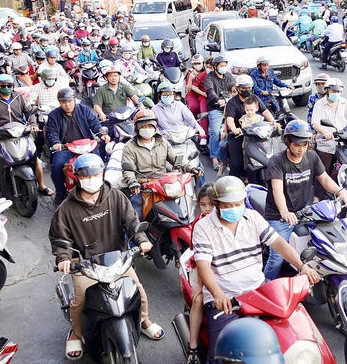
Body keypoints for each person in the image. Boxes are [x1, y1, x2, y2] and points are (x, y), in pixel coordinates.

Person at [191, 176, 320, 364]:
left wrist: (302, 266)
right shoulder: (203, 227)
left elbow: (278, 243)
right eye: (228, 205)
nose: (234, 208)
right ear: (217, 204)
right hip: (226, 300)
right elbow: (203, 266)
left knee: (294, 336)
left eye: (238, 203)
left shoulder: (252, 217)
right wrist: (218, 294)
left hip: (258, 292)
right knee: (221, 354)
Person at [49, 153, 164, 360]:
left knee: (137, 289)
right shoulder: (65, 209)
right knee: (80, 299)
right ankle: (76, 332)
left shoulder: (116, 196)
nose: (91, 179)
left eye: (95, 174)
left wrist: (141, 239)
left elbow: (132, 222)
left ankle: (144, 320)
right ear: (77, 177)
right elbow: (60, 239)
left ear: (102, 173)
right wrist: (64, 258)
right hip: (84, 263)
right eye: (86, 175)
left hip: (116, 259)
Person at [263, 119, 347, 280]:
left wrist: (341, 191)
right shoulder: (277, 161)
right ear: (287, 141)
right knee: (277, 257)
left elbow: (324, 179)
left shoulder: (312, 157)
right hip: (280, 217)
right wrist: (284, 211)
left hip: (304, 211)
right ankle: (266, 284)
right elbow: (277, 190)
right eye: (297, 145)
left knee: (327, 239)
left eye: (304, 144)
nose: (301, 149)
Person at [0, 74, 54, 196]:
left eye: (9, 86)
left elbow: (29, 112)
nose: (7, 88)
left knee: (36, 160)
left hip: (20, 133)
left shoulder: (19, 97)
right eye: (4, 86)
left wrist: (33, 123)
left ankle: (41, 185)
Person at [121, 111, 199, 218]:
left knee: (181, 212)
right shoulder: (129, 146)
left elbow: (176, 159)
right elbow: (128, 169)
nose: (147, 129)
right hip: (143, 186)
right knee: (135, 219)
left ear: (155, 127)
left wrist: (190, 168)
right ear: (137, 128)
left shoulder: (163, 142)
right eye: (144, 126)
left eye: (150, 125)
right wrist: (133, 182)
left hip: (164, 185)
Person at [45, 87, 109, 205]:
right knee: (56, 166)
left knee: (100, 163)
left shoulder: (84, 110)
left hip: (87, 145)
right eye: (64, 102)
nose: (67, 105)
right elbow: (51, 131)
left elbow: (94, 124)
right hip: (66, 148)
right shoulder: (54, 115)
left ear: (74, 100)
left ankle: (103, 187)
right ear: (60, 102)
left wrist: (102, 134)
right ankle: (60, 192)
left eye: (69, 101)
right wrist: (56, 143)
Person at [311, 78, 347, 198]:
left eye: (338, 92)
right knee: (323, 172)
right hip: (326, 144)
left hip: (343, 142)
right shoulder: (319, 104)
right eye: (333, 91)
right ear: (327, 90)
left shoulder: (343, 102)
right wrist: (325, 131)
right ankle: (317, 197)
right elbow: (315, 123)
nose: (336, 94)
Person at [224, 74, 276, 182]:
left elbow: (265, 111)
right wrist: (234, 129)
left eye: (248, 88)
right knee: (236, 164)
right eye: (244, 88)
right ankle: (232, 184)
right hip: (239, 135)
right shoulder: (232, 102)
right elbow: (229, 119)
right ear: (238, 88)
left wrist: (273, 122)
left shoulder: (255, 98)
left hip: (256, 135)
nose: (246, 90)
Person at [186, 183, 215, 364]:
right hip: (200, 267)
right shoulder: (199, 223)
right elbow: (197, 256)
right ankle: (193, 347)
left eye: (211, 204)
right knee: (198, 299)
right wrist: (200, 284)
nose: (207, 209)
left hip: (220, 267)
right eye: (203, 205)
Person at [205, 55, 235, 172]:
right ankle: (214, 158)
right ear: (215, 67)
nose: (224, 68)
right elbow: (210, 91)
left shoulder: (229, 76)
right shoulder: (209, 78)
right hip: (216, 108)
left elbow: (234, 88)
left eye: (225, 65)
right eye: (221, 65)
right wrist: (218, 100)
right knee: (215, 131)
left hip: (230, 106)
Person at [186, 54, 209, 149]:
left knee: (205, 112)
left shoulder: (206, 72)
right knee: (194, 107)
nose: (197, 65)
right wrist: (191, 78)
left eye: (199, 63)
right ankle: (193, 123)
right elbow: (188, 88)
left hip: (203, 94)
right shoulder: (191, 73)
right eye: (195, 63)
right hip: (193, 94)